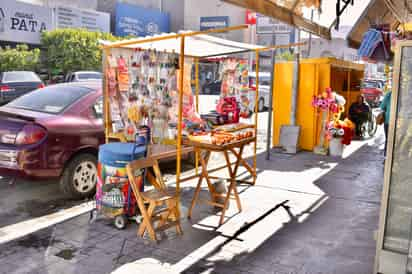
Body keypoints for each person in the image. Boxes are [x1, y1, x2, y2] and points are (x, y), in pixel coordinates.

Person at [380, 91, 392, 156]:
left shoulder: (389, 94)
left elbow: (382, 106)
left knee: (388, 139)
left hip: (388, 121)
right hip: (400, 122)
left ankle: (386, 156)